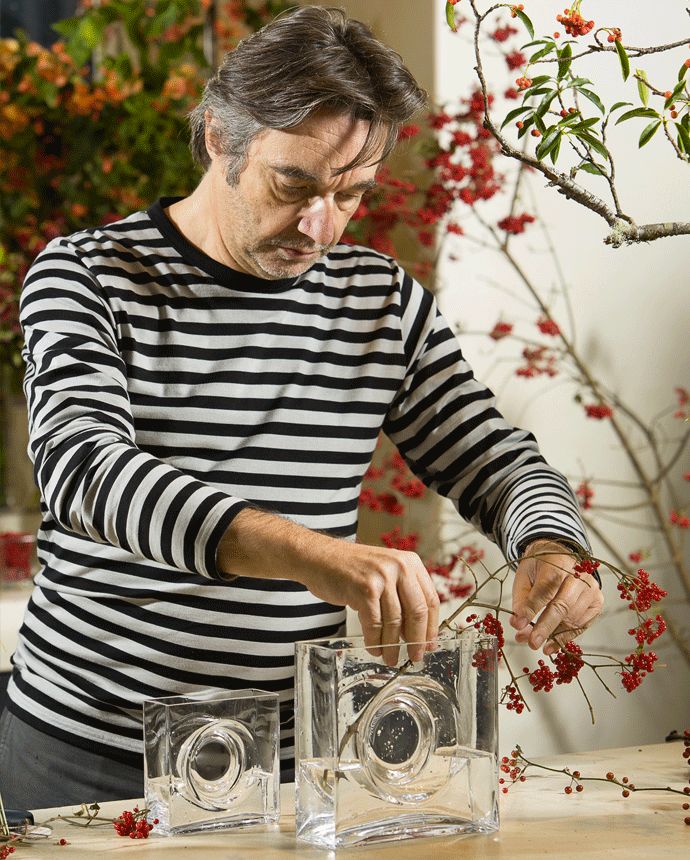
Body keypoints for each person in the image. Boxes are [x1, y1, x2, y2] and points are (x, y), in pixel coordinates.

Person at [0, 6, 603, 808]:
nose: (320, 224)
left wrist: (552, 547)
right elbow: (86, 474)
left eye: (351, 193)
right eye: (295, 184)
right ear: (219, 136)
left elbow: (496, 460)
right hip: (87, 750)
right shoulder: (89, 276)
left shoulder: (380, 303)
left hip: (288, 761)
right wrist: (315, 555)